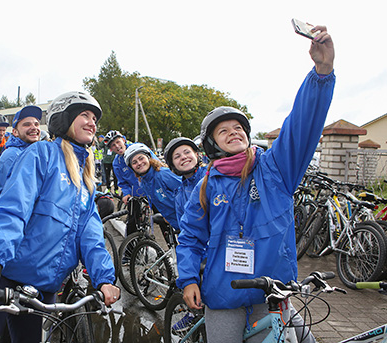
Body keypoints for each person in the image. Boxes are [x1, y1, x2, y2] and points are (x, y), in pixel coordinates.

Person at [176, 25, 335, 343]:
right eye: (224, 131)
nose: (234, 132)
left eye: (238, 127)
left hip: (272, 293)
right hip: (224, 294)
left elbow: (301, 125)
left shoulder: (275, 168)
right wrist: (189, 279)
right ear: (213, 145)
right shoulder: (205, 186)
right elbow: (191, 238)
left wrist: (321, 73)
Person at [0, 91, 120, 343]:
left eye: (94, 118)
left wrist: (104, 279)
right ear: (64, 120)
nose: (92, 122)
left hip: (42, 286)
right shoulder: (41, 154)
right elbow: (13, 208)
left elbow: (91, 236)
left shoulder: (86, 178)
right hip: (1, 273)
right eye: (84, 115)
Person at [0, 105, 42, 218]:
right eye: (27, 124)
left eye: (36, 124)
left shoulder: (35, 152)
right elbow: (4, 195)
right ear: (15, 132)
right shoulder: (12, 156)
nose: (34, 127)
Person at [124, 143, 182, 230]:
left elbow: (188, 192)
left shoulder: (163, 174)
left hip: (188, 221)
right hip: (176, 223)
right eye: (134, 162)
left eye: (141, 158)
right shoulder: (144, 182)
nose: (139, 163)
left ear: (148, 158)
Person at [163, 137, 207, 227]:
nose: (183, 157)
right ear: (173, 165)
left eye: (187, 152)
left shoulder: (212, 177)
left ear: (196, 155)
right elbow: (185, 228)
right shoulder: (180, 195)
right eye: (177, 157)